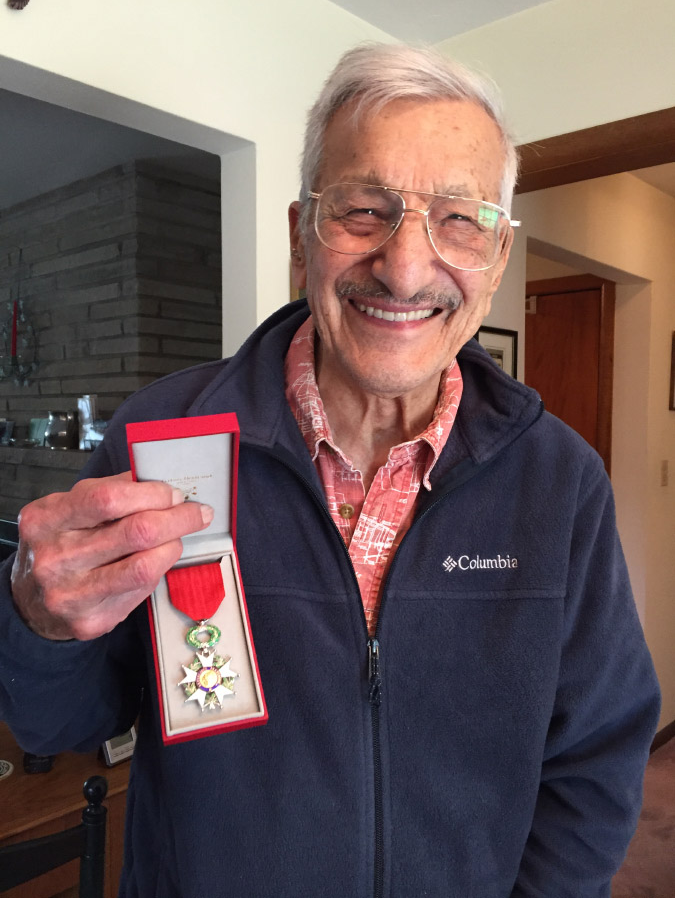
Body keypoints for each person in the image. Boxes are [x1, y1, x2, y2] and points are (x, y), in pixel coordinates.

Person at [0, 44, 660, 898]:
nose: (406, 265)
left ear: (496, 261)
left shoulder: (558, 480)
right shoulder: (162, 439)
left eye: (458, 218)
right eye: (362, 209)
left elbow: (594, 763)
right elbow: (66, 721)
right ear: (299, 237)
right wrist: (34, 620)